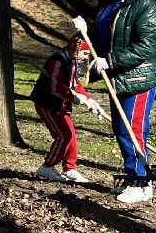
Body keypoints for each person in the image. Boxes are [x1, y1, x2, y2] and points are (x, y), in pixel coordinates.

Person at [86, 0, 156, 205]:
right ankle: (133, 178)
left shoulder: (145, 4)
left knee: (133, 129)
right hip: (117, 76)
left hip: (138, 77)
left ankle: (142, 183)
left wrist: (111, 60)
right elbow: (103, 33)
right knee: (121, 129)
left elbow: (147, 46)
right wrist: (85, 40)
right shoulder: (110, 0)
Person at [29, 36, 106, 182]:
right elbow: (55, 88)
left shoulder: (74, 61)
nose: (86, 58)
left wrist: (89, 100)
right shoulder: (58, 60)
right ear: (76, 49)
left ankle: (70, 169)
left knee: (71, 135)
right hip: (48, 103)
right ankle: (47, 167)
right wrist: (74, 98)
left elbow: (75, 84)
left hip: (61, 105)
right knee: (64, 136)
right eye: (85, 53)